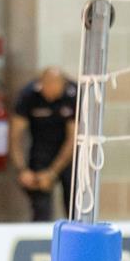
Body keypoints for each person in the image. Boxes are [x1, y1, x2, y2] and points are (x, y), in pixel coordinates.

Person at [12, 67, 78, 222]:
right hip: (41, 149)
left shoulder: (74, 95)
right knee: (40, 206)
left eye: (54, 86)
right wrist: (22, 170)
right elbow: (15, 137)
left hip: (70, 154)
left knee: (74, 204)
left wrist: (52, 173)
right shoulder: (28, 95)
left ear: (62, 84)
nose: (49, 91)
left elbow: (73, 139)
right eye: (46, 85)